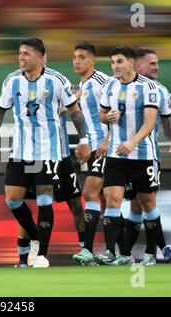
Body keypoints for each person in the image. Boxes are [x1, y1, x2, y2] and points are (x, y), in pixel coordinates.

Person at [0, 38, 90, 268]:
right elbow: (0, 109)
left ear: (39, 57)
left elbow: (75, 111)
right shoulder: (12, 80)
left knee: (46, 199)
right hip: (21, 151)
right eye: (19, 53)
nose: (21, 58)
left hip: (50, 150)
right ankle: (37, 238)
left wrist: (83, 140)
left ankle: (42, 255)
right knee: (12, 200)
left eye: (26, 54)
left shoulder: (56, 80)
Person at [98, 45, 165, 266]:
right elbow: (102, 114)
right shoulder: (109, 85)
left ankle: (150, 253)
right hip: (116, 154)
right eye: (112, 62)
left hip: (143, 155)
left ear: (132, 64)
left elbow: (150, 122)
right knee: (112, 199)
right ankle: (112, 252)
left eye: (119, 62)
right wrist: (108, 117)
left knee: (147, 203)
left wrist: (133, 142)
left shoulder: (148, 87)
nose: (115, 66)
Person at [119, 47, 171, 266]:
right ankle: (150, 251)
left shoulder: (160, 90)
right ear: (137, 65)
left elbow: (166, 120)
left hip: (147, 156)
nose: (157, 67)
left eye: (157, 63)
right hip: (122, 157)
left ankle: (143, 253)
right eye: (152, 63)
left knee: (144, 202)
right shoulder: (119, 86)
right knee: (138, 204)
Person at [69, 42, 111, 265]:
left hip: (107, 147)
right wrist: (82, 143)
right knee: (106, 200)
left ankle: (87, 249)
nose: (76, 60)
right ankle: (117, 251)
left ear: (92, 60)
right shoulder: (82, 85)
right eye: (75, 57)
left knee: (90, 191)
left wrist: (106, 140)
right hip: (94, 148)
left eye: (82, 57)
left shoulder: (101, 82)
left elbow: (116, 110)